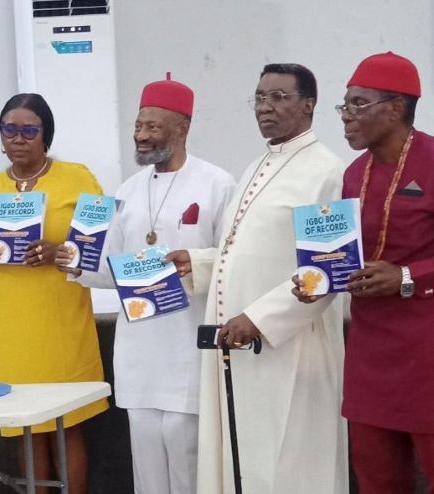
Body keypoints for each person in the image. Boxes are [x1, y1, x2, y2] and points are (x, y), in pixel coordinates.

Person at [165, 64, 348, 493]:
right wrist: (198, 262)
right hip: (241, 347)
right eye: (260, 97)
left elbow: (329, 267)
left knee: (289, 464)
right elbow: (247, 250)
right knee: (245, 460)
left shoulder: (328, 171)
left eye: (279, 97)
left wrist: (260, 318)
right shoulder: (255, 167)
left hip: (294, 350)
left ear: (309, 105)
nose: (265, 107)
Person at [58, 77, 235, 493]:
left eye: (153, 126)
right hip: (140, 348)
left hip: (188, 344)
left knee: (184, 446)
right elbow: (109, 269)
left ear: (182, 128)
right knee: (147, 457)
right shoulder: (128, 190)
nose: (141, 135)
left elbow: (233, 259)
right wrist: (75, 263)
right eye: (138, 126)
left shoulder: (217, 184)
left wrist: (195, 263)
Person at [0, 93, 108, 494]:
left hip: (61, 324)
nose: (18, 138)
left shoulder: (78, 179)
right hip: (12, 328)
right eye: (10, 129)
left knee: (67, 424)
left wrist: (59, 252)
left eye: (29, 130)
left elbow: (98, 250)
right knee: (28, 429)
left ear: (46, 135)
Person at [302, 51, 434, 493]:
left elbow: (404, 270)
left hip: (427, 348)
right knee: (377, 477)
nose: (346, 116)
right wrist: (317, 280)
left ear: (395, 108)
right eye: (345, 105)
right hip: (369, 351)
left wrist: (407, 276)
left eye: (359, 104)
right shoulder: (353, 175)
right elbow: (343, 255)